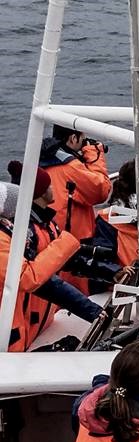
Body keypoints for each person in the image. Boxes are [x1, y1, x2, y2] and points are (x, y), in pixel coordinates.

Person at [7, 162, 104, 331]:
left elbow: (70, 260)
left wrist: (112, 272)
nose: (53, 188)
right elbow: (43, 282)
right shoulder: (26, 232)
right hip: (26, 325)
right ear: (41, 193)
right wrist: (92, 312)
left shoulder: (45, 223)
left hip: (42, 322)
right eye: (49, 185)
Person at [0, 181, 85, 351]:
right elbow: (26, 277)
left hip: (26, 326)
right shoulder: (4, 238)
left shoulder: (11, 233)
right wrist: (65, 243)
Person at [39, 124, 112, 293]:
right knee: (73, 293)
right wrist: (94, 155)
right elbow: (101, 191)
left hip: (47, 236)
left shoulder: (42, 157)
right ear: (73, 138)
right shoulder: (70, 166)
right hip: (73, 241)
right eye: (82, 139)